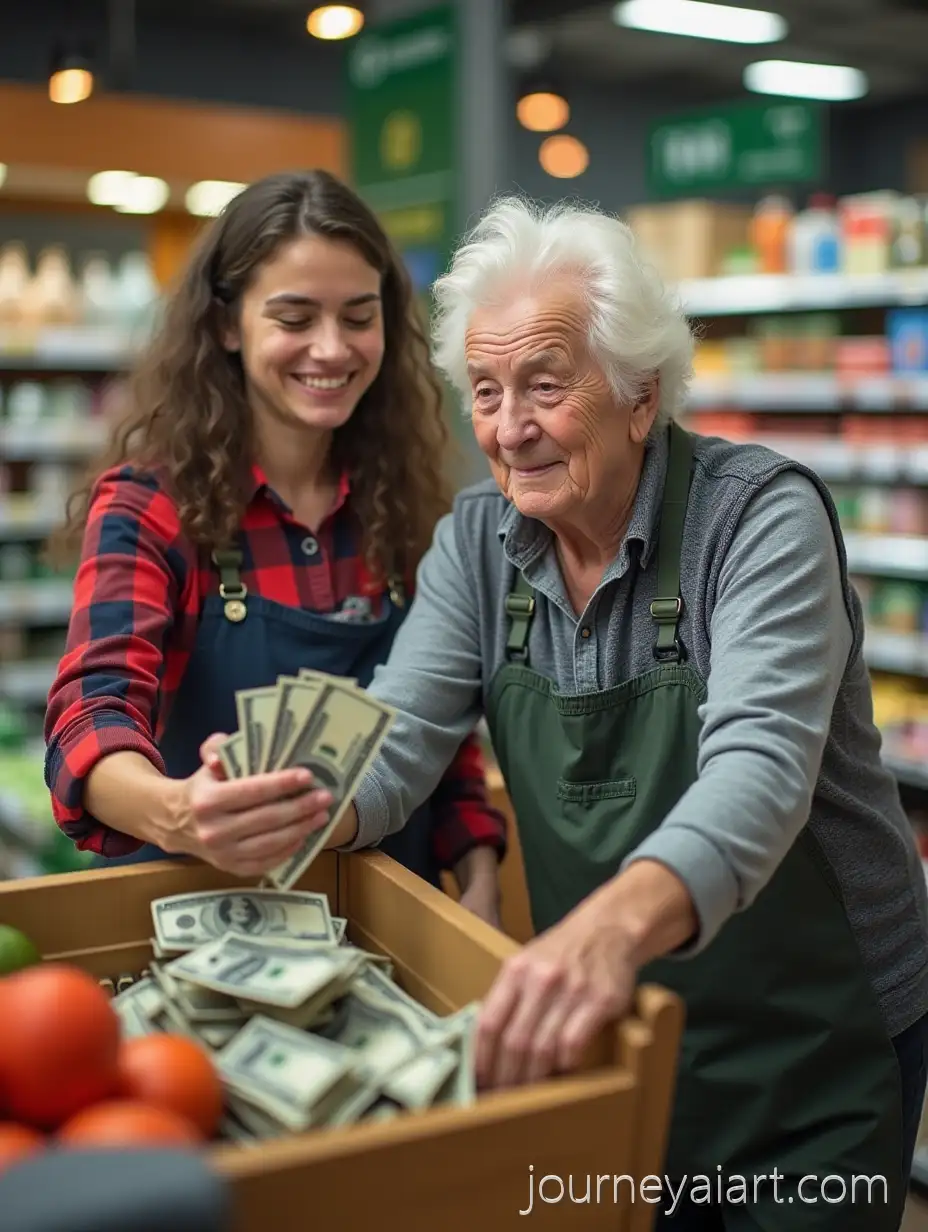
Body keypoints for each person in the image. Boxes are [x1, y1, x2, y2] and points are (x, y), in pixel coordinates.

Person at [295, 195, 928, 1229]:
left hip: (814, 1046)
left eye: (545, 386)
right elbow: (395, 740)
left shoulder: (757, 517)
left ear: (640, 395)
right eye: (486, 391)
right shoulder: (476, 543)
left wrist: (604, 930)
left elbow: (760, 768)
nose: (509, 428)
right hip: (617, 1022)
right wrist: (293, 795)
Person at [43, 169, 505, 922]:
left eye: (359, 317)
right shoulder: (151, 508)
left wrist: (479, 872)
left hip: (392, 920)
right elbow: (90, 717)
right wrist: (177, 810)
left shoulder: (405, 503)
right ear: (228, 325)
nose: (331, 348)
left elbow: (439, 730)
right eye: (295, 317)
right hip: (206, 917)